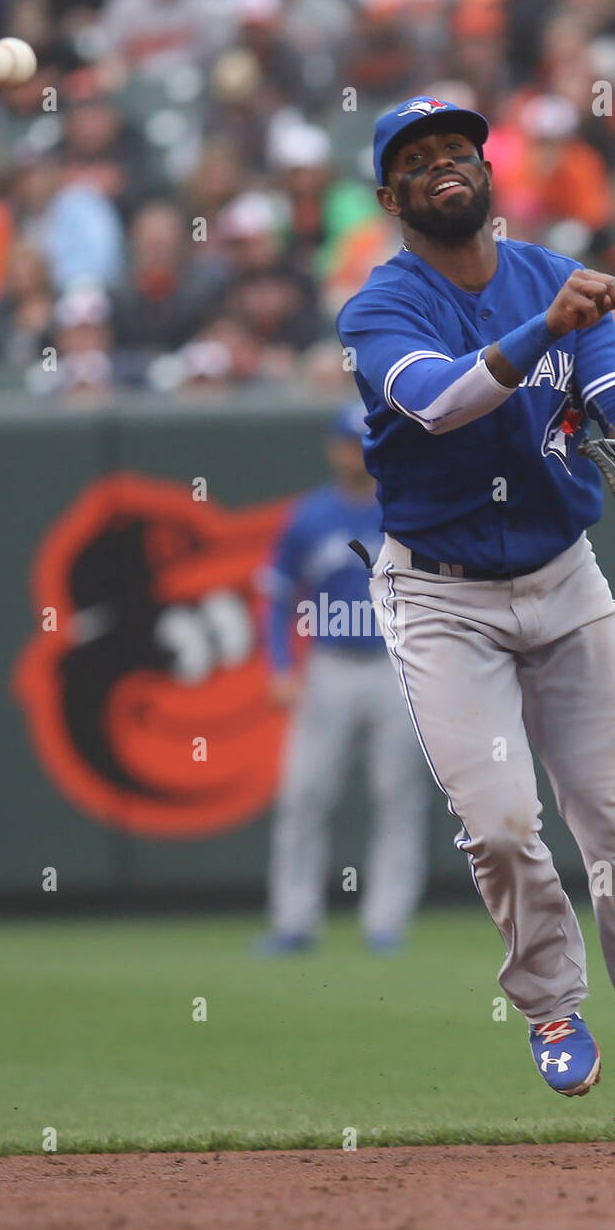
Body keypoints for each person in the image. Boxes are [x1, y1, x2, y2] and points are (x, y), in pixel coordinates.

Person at [336, 97, 615, 1153]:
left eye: (459, 149)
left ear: (487, 171)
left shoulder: (552, 272)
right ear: (391, 196)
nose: (444, 164)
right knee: (499, 824)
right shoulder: (380, 307)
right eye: (418, 159)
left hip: (562, 578)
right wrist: (549, 327)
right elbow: (445, 401)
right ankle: (548, 995)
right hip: (441, 596)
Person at [259, 405, 429, 955]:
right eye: (348, 443)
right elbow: (276, 597)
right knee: (304, 794)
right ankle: (294, 920)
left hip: (395, 665)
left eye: (366, 442)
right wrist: (279, 666)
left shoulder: (406, 509)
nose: (357, 452)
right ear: (333, 449)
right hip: (329, 666)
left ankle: (386, 921)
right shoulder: (310, 517)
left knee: (397, 794)